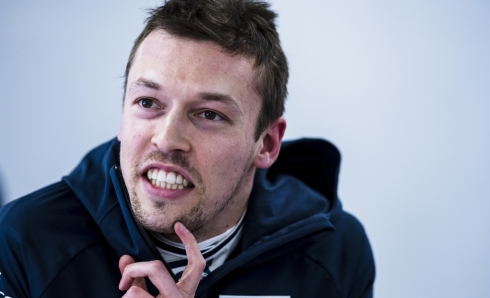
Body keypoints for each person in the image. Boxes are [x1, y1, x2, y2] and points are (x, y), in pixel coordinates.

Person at [0, 0, 375, 297]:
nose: (166, 139)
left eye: (209, 114)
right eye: (148, 103)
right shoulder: (22, 241)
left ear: (268, 143)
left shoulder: (336, 251)